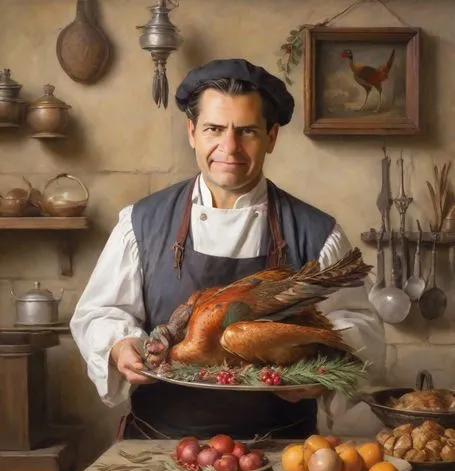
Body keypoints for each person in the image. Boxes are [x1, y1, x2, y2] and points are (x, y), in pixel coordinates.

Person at [70, 58, 385, 440]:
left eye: (247, 131)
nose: (229, 147)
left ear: (272, 137)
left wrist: (322, 375)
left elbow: (361, 325)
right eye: (214, 129)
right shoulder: (140, 223)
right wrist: (119, 346)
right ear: (192, 133)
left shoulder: (318, 232)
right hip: (159, 447)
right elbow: (100, 312)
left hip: (283, 450)